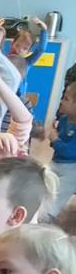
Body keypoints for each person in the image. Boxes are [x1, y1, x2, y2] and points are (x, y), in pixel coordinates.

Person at [49, 80, 76, 213]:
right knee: (47, 185)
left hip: (71, 169)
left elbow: (70, 152)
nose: (61, 102)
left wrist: (55, 140)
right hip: (56, 162)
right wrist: (53, 139)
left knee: (58, 198)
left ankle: (50, 216)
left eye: (66, 99)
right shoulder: (64, 120)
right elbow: (56, 145)